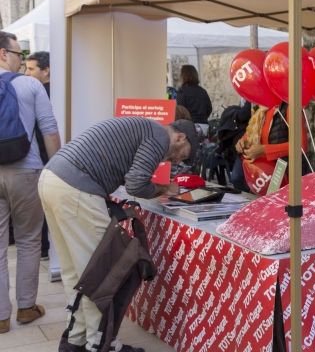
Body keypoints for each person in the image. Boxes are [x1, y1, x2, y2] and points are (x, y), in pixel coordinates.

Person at [37, 117, 199, 352]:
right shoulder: (159, 137)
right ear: (180, 137)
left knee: (77, 273)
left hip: (51, 179)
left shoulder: (147, 129)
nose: (176, 160)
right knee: (102, 274)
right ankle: (102, 344)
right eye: (182, 155)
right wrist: (165, 188)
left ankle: (76, 340)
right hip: (76, 187)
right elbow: (136, 184)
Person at [0, 32, 60, 334]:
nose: (21, 61)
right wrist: (58, 170)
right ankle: (26, 307)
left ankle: (0, 316)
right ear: (2, 54)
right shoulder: (31, 84)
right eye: (18, 54)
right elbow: (49, 129)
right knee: (28, 239)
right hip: (26, 169)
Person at [235, 102, 308, 194]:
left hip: (287, 173)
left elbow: (301, 145)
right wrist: (241, 143)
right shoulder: (261, 109)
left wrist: (264, 150)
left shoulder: (289, 107)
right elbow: (249, 135)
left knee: (281, 204)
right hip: (266, 174)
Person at [25, 51, 52, 260]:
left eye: (31, 69)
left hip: (46, 156)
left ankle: (44, 247)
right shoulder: (33, 92)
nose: (27, 73)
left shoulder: (42, 94)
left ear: (46, 71)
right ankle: (44, 247)